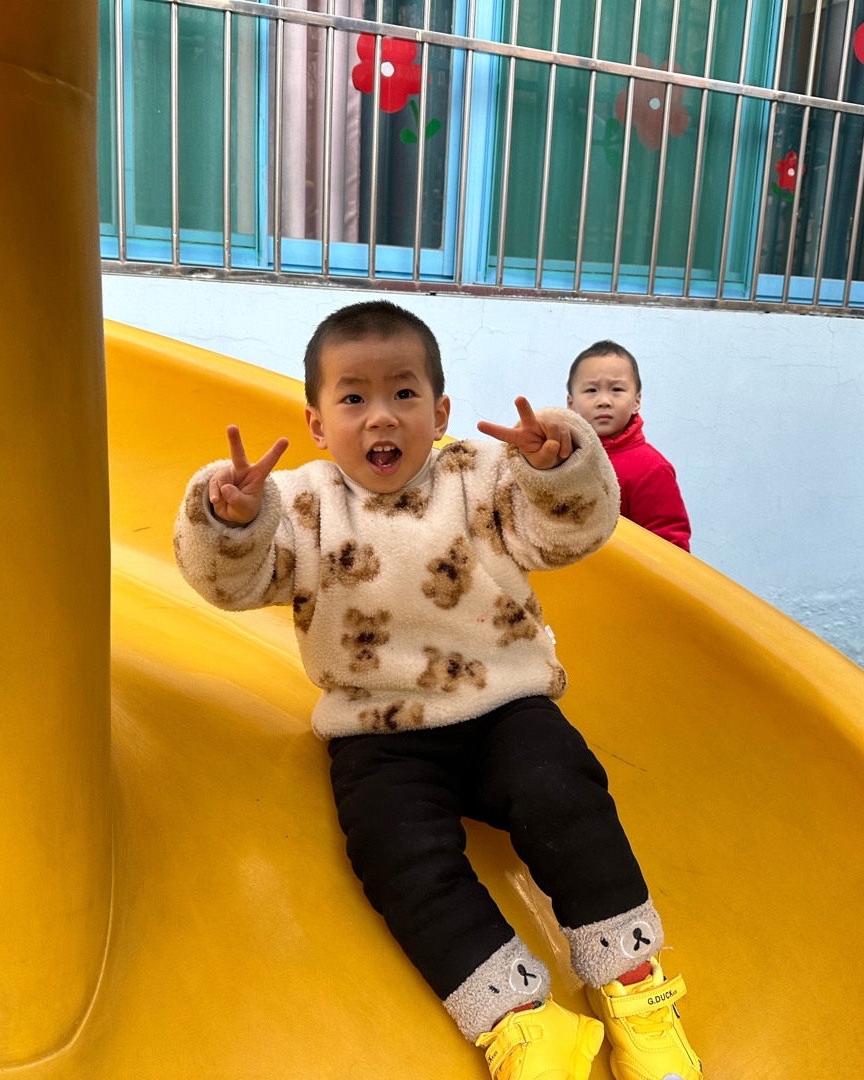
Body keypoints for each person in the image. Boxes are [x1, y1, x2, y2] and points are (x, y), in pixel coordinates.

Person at [173, 301, 703, 1080]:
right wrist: (231, 521)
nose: (380, 416)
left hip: (504, 705)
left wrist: (557, 471)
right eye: (353, 397)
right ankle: (522, 1022)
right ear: (317, 423)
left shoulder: (479, 476)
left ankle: (632, 983)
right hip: (378, 731)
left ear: (441, 411)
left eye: (404, 393)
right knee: (393, 854)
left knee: (564, 792)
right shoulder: (302, 505)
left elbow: (570, 534)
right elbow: (234, 582)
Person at [566, 340, 691, 551]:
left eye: (616, 389)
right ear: (571, 404)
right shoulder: (559, 457)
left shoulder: (651, 468)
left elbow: (670, 548)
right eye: (591, 390)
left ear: (636, 401)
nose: (604, 400)